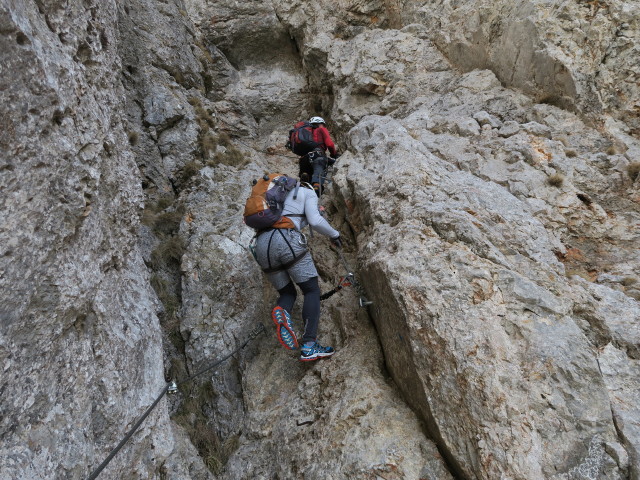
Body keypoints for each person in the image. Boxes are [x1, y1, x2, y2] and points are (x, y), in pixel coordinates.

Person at [254, 178, 342, 361]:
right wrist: (335, 234)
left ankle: (282, 310)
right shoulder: (307, 193)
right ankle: (309, 345)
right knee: (311, 290)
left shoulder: (274, 197)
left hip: (261, 244)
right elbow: (315, 221)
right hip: (286, 238)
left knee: (287, 293)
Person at [299, 116, 340, 196]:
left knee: (307, 177)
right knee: (319, 170)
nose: (324, 127)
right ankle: (316, 186)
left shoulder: (306, 133)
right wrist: (334, 154)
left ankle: (305, 180)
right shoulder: (321, 129)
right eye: (323, 125)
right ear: (320, 124)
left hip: (304, 159)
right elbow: (330, 144)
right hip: (318, 156)